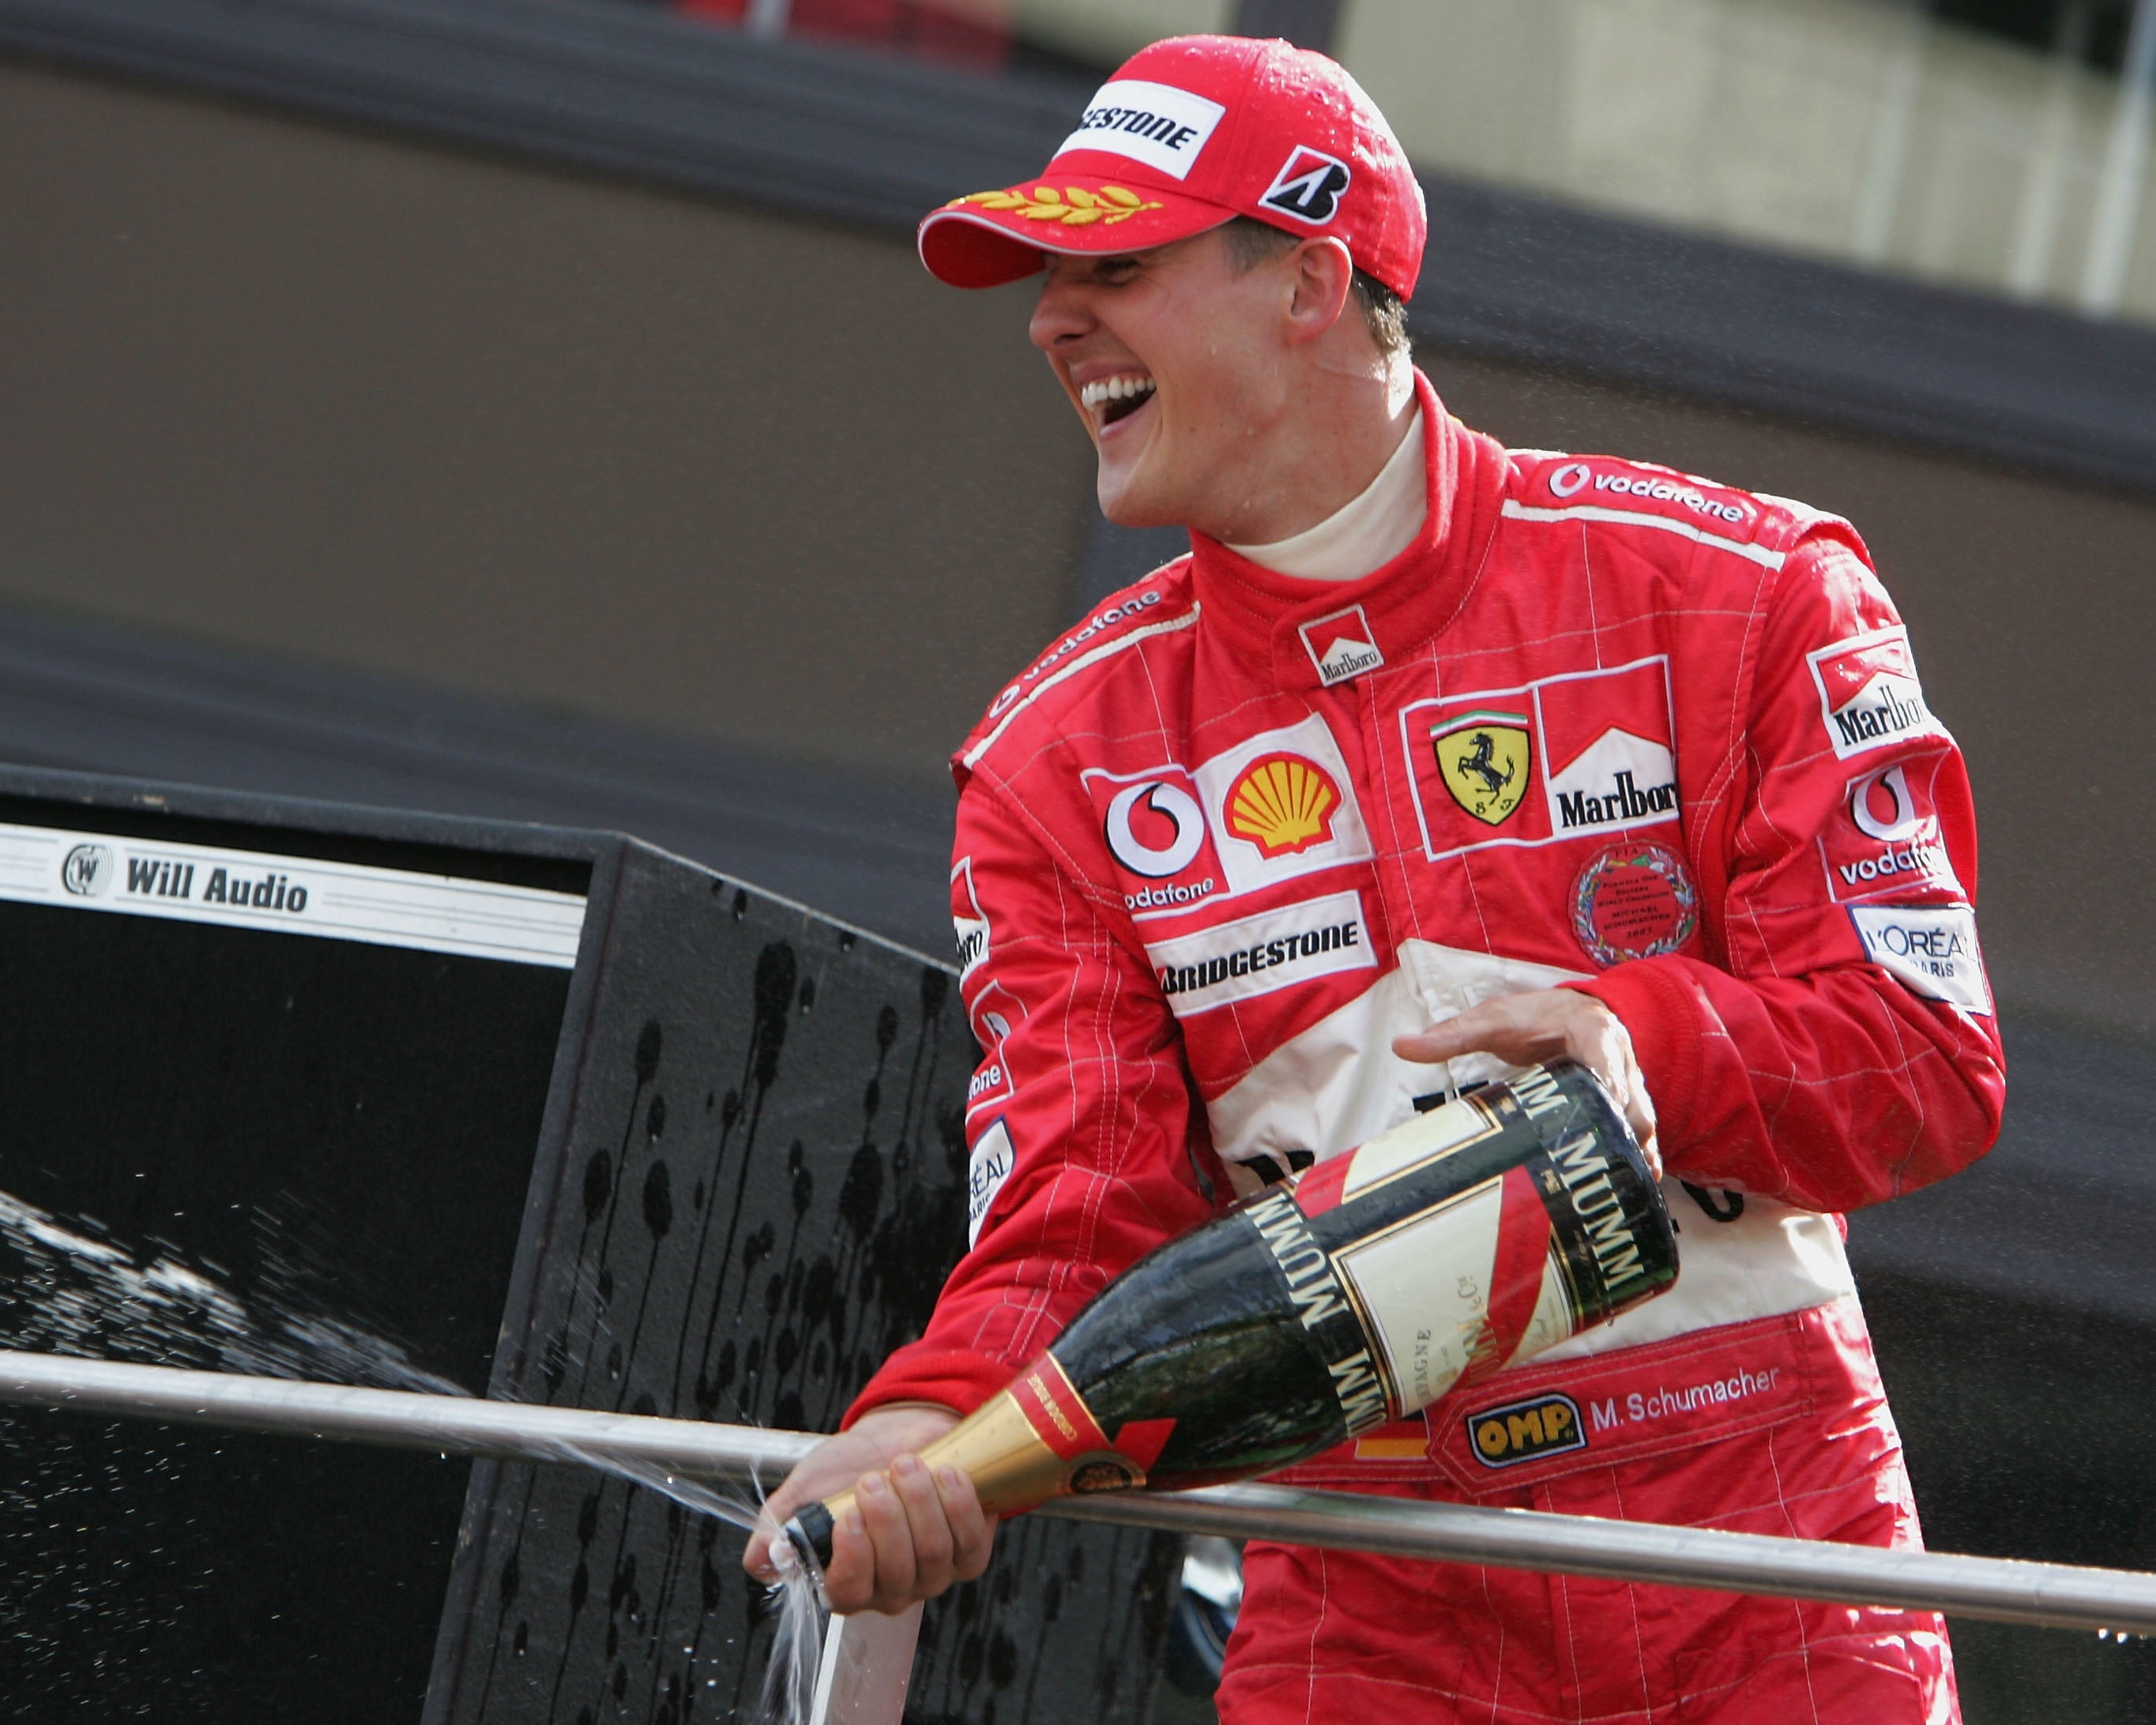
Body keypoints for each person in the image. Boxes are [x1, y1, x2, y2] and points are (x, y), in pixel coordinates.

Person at [743, 33, 2003, 1721]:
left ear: (1311, 281)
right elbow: (1078, 1207)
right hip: (1371, 1590)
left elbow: (1925, 1061)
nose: (1052, 317)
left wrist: (1646, 1046)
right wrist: (926, 1417)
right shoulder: (1056, 761)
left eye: (1114, 264)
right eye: (1047, 275)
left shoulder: (1743, 591)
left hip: (1762, 1546)